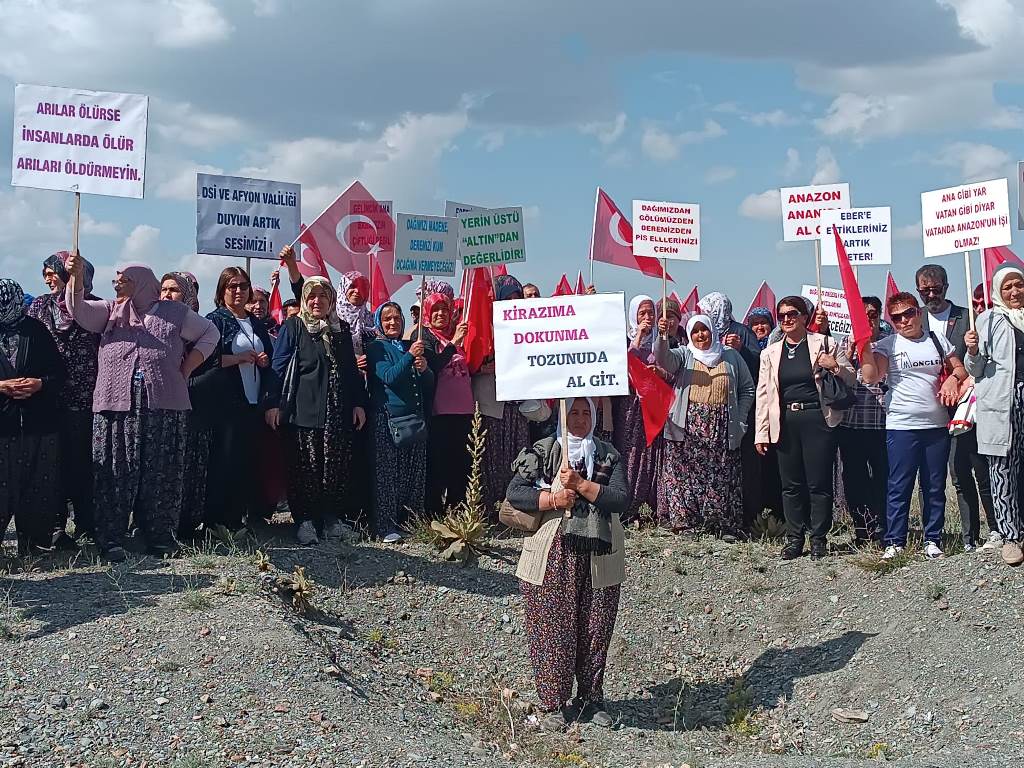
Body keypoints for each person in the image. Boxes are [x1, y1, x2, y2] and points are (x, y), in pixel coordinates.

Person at [66, 257, 219, 561]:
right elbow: (78, 310)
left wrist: (186, 369)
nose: (117, 283)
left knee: (161, 473)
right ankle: (111, 540)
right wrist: (76, 278)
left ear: (142, 282)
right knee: (115, 471)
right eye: (117, 278)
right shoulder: (111, 311)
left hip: (164, 406)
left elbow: (210, 333)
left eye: (124, 278)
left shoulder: (174, 313)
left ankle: (160, 538)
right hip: (116, 406)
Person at [507, 397, 628, 730]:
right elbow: (515, 492)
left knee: (595, 628)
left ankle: (591, 699)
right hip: (552, 555)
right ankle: (552, 704)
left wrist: (583, 486)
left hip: (599, 555)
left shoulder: (607, 453)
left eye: (586, 411)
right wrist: (552, 498)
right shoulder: (544, 451)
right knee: (551, 629)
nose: (579, 418)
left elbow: (620, 498)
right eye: (573, 411)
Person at [859, 292, 967, 560]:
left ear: (918, 313)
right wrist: (863, 346)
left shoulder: (936, 339)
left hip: (937, 425)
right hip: (902, 425)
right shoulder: (888, 344)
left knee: (934, 485)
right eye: (896, 317)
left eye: (908, 313)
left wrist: (953, 378)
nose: (904, 321)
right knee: (899, 485)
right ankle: (895, 541)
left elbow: (961, 369)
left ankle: (933, 539)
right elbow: (873, 376)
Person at [268, 277, 367, 545]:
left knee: (335, 468)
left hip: (338, 412)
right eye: (312, 295)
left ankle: (332, 520)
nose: (317, 301)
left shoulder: (341, 329)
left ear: (332, 299)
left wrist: (358, 403)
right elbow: (278, 366)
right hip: (304, 410)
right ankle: (305, 521)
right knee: (305, 468)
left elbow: (350, 370)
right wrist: (272, 403)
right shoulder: (294, 326)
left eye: (323, 295)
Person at [755, 296, 855, 560]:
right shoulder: (770, 352)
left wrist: (834, 366)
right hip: (786, 421)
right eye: (782, 315)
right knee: (790, 484)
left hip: (817, 419)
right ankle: (794, 537)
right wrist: (761, 432)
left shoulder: (825, 344)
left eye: (792, 314)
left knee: (818, 482)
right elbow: (763, 394)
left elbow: (852, 377)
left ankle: (819, 537)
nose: (787, 319)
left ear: (804, 317)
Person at [190, 267, 276, 533]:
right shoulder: (214, 320)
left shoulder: (256, 322)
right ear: (222, 291)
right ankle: (215, 520)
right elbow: (203, 360)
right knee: (223, 461)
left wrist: (264, 361)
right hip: (226, 403)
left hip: (253, 403)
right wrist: (237, 359)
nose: (238, 291)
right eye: (232, 286)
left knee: (245, 462)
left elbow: (271, 359)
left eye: (243, 286)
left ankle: (236, 518)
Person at [653, 313, 754, 537]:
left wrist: (740, 418)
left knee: (721, 475)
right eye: (696, 331)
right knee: (684, 475)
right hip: (688, 426)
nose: (701, 335)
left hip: (722, 427)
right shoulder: (684, 354)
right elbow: (663, 359)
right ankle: (686, 523)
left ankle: (721, 525)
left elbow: (747, 388)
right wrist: (661, 335)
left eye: (704, 329)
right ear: (690, 334)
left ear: (713, 330)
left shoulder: (731, 357)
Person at [916, 264, 992, 552]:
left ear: (947, 287)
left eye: (937, 289)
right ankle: (931, 537)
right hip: (928, 408)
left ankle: (976, 535)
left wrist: (960, 375)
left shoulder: (967, 317)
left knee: (968, 470)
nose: (931, 294)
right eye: (926, 290)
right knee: (930, 476)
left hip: (964, 406)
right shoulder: (914, 319)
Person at [26, 252, 100, 545]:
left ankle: (86, 524)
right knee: (51, 466)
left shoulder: (94, 307)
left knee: (83, 464)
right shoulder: (39, 307)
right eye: (45, 273)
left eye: (54, 272)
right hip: (48, 398)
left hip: (85, 398)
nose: (48, 278)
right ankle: (55, 526)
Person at [1, 278, 67, 554]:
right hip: (2, 425)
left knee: (37, 483)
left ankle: (34, 544)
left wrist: (39, 383)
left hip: (38, 422)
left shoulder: (36, 331)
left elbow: (59, 374)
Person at [965, 264, 1024, 566]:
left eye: (1019, 284)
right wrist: (972, 351)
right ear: (998, 292)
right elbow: (974, 371)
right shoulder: (987, 320)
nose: (1014, 291)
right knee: (1002, 469)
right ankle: (1010, 536)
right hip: (1003, 402)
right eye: (1007, 287)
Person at [366, 302, 434, 542]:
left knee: (413, 474)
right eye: (387, 319)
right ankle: (386, 526)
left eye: (397, 317)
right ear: (379, 323)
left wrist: (425, 369)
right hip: (388, 419)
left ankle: (410, 521)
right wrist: (409, 357)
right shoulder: (376, 347)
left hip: (413, 418)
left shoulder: (408, 346)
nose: (393, 322)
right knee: (388, 475)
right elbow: (388, 377)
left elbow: (425, 385)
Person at [699, 291, 764, 533]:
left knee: (745, 466)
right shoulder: (705, 331)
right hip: (712, 412)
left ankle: (748, 516)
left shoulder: (741, 331)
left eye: (707, 310)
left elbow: (759, 363)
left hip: (741, 409)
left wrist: (741, 350)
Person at [158, 271, 210, 540]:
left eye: (174, 290)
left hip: (195, 408)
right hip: (161, 409)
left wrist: (183, 381)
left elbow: (212, 366)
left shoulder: (201, 327)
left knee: (189, 467)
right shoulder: (151, 325)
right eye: (163, 289)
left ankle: (186, 524)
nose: (167, 295)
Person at [837, 296, 890, 545]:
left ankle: (883, 527)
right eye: (861, 314)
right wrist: (847, 356)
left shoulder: (889, 343)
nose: (867, 318)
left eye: (871, 314)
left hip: (882, 423)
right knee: (855, 480)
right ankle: (862, 528)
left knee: (883, 477)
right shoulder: (842, 344)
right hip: (851, 424)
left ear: (879, 315)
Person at [476, 274, 531, 510]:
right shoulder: (483, 326)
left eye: (515, 298)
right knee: (491, 459)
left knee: (517, 459)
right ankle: (489, 509)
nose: (511, 302)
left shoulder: (528, 328)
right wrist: (483, 365)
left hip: (517, 407)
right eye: (505, 298)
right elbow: (468, 359)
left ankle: (515, 508)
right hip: (492, 405)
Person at [612, 295, 666, 522]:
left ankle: (649, 505)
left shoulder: (661, 341)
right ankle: (628, 505)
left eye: (650, 313)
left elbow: (671, 369)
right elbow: (621, 366)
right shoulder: (623, 340)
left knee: (652, 453)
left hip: (653, 404)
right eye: (642, 313)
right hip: (630, 406)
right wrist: (638, 338)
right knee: (630, 451)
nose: (647, 318)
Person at [420, 292, 472, 516]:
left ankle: (458, 509)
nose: (441, 314)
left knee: (460, 463)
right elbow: (434, 365)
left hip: (464, 409)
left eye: (445, 310)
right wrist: (453, 344)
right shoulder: (426, 338)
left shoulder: (458, 334)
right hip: (439, 411)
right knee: (439, 462)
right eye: (435, 310)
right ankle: (433, 512)